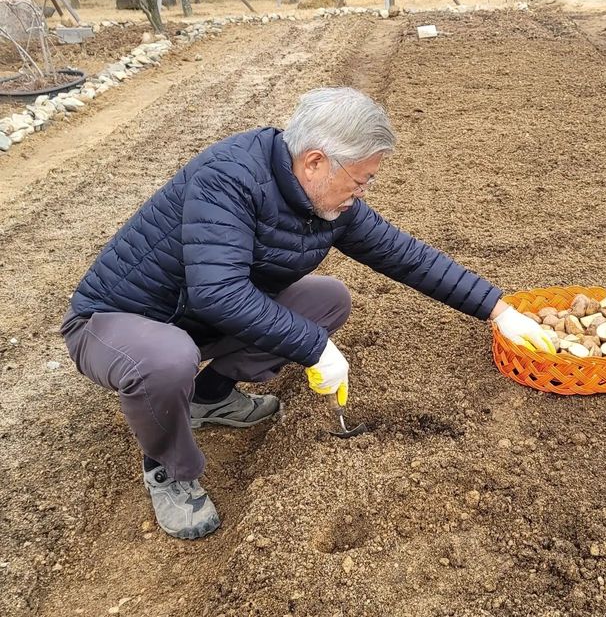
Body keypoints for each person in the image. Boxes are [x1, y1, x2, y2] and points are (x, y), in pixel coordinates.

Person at [61, 87, 554, 540]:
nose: (363, 191)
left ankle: (208, 399)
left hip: (196, 320)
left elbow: (406, 256)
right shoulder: (228, 179)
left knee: (327, 300)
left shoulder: (326, 202)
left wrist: (497, 308)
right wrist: (315, 349)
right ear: (316, 161)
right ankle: (169, 469)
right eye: (360, 179)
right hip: (117, 323)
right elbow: (219, 292)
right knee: (167, 360)